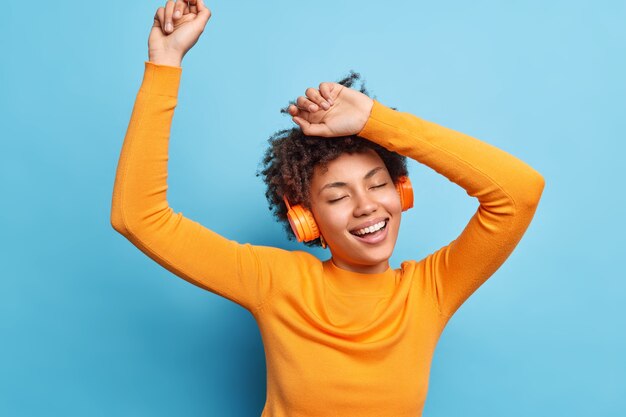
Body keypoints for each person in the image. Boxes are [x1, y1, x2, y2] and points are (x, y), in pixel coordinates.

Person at [110, 1, 546, 415]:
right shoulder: (275, 282)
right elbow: (138, 216)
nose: (365, 206)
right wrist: (164, 64)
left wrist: (375, 121)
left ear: (402, 193)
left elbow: (518, 193)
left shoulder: (432, 289)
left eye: (377, 185)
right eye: (338, 197)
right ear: (306, 219)